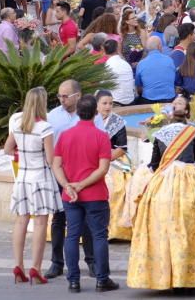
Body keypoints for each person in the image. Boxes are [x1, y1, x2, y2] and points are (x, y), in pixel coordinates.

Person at [126, 104, 195, 289]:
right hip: (190, 180)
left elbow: (155, 164)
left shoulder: (160, 133)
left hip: (163, 184)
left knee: (163, 229)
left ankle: (164, 275)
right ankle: (193, 275)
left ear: (170, 119)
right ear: (186, 117)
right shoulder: (194, 133)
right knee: (194, 228)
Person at [50, 95, 119, 293]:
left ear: (78, 112)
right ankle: (102, 279)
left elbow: (56, 165)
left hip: (70, 195)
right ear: (95, 112)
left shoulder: (65, 135)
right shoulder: (101, 136)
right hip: (95, 194)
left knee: (71, 235)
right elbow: (102, 169)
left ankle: (73, 280)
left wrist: (68, 186)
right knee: (99, 236)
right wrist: (81, 185)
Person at [5, 86, 61, 284]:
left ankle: (18, 265)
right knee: (40, 223)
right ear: (42, 103)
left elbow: (7, 149)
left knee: (21, 221)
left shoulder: (19, 123)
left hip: (23, 177)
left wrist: (23, 155)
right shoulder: (44, 127)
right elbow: (50, 158)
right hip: (41, 178)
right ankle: (36, 267)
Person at [45, 79, 100, 280]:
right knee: (59, 219)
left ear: (78, 95)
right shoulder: (52, 116)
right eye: (59, 95)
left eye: (65, 96)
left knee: (87, 220)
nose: (61, 99)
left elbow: (100, 141)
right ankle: (56, 263)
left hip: (85, 176)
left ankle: (92, 261)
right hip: (60, 175)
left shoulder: (92, 116)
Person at [95, 91, 132, 242]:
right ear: (96, 104)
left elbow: (122, 147)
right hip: (90, 160)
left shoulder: (117, 122)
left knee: (117, 186)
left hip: (113, 159)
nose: (108, 106)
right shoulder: (88, 119)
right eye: (104, 103)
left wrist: (105, 159)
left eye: (110, 103)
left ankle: (115, 230)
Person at [134, 36, 177, 104]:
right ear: (159, 46)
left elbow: (138, 86)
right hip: (169, 98)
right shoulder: (170, 60)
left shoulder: (141, 64)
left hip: (148, 100)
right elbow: (174, 80)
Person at [102, 39, 135, 106]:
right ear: (117, 49)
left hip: (116, 103)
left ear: (104, 52)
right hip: (131, 101)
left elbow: (103, 86)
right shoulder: (126, 64)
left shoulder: (107, 66)